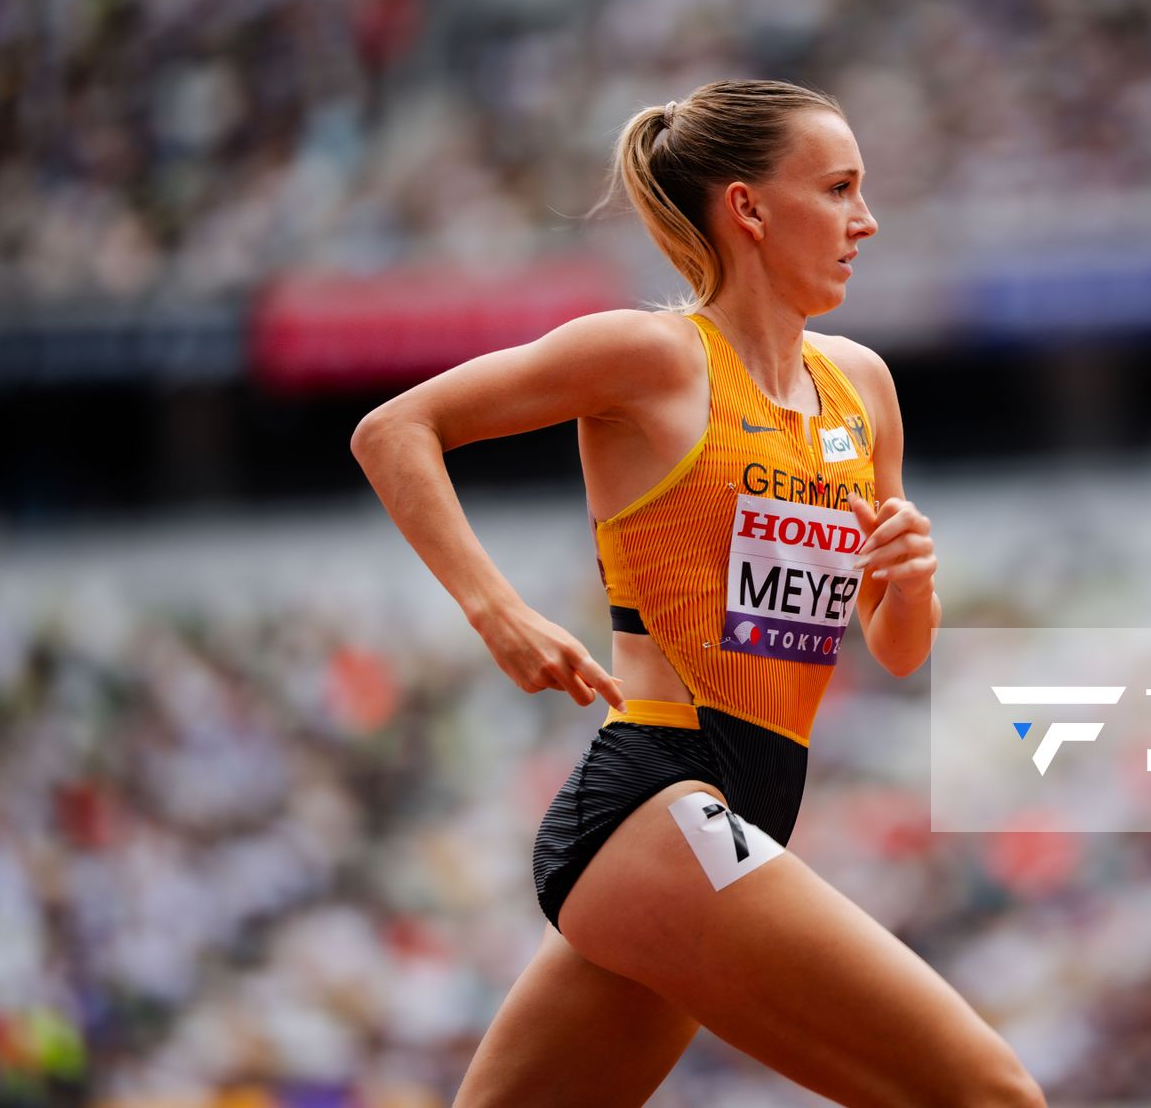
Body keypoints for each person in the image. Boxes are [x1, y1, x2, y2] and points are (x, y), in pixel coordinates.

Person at [351, 79, 1046, 1107]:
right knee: (991, 1093)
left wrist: (909, 582)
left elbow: (897, 647)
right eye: (841, 187)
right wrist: (497, 609)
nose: (868, 219)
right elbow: (394, 429)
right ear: (750, 208)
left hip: (752, 802)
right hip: (659, 795)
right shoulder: (652, 356)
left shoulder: (864, 385)